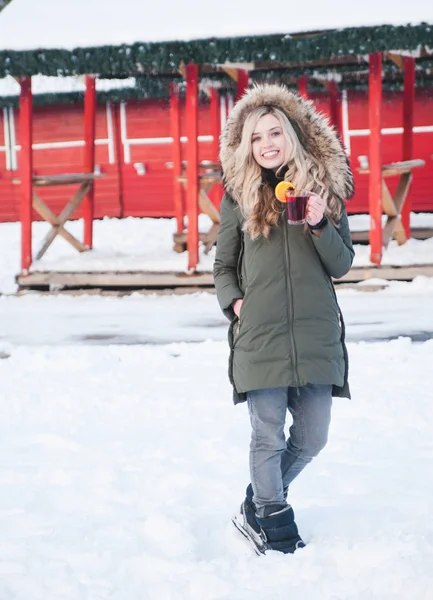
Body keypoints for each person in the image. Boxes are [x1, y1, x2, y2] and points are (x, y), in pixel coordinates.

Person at [213, 83, 355, 555]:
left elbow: (342, 264)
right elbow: (223, 266)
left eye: (275, 132)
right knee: (267, 432)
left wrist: (319, 223)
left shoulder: (326, 190)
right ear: (247, 145)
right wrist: (236, 304)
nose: (267, 143)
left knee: (313, 436)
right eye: (257, 137)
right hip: (261, 333)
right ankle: (271, 517)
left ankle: (257, 498)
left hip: (315, 334)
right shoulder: (238, 196)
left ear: (292, 134)